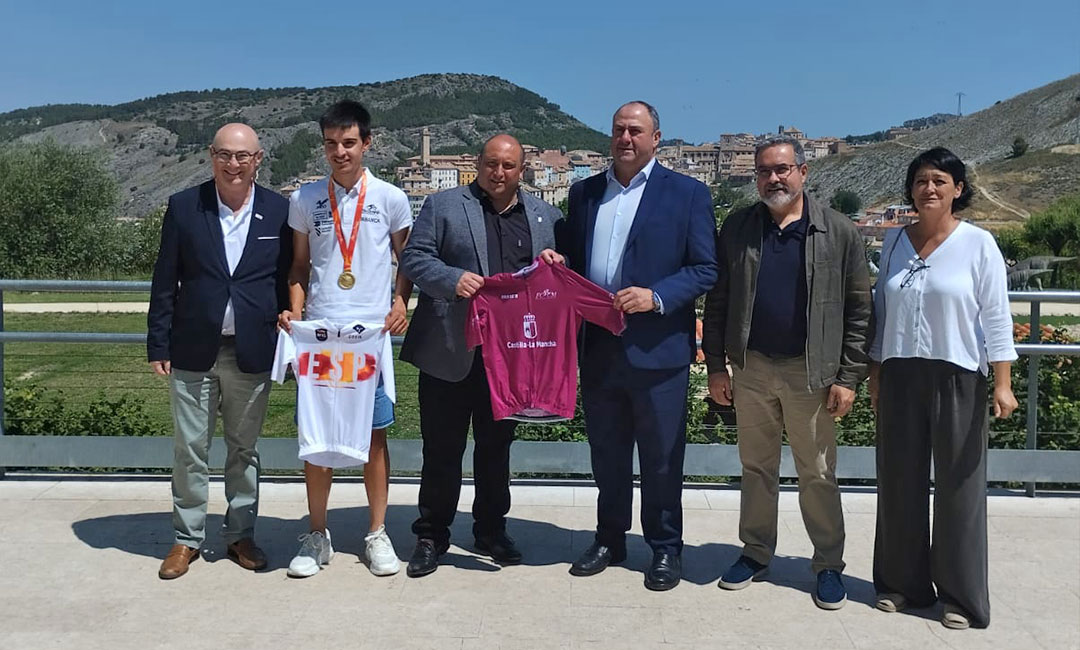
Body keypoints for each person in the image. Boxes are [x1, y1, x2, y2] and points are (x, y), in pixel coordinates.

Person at [702, 136, 871, 609]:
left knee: (817, 471)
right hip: (752, 367)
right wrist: (716, 366)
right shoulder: (739, 228)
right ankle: (755, 552)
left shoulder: (838, 231)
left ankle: (828, 564)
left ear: (803, 172)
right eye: (764, 171)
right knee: (756, 467)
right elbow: (717, 301)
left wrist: (848, 377)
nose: (773, 179)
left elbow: (860, 311)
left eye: (782, 169)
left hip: (811, 372)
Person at [557, 101, 717, 591]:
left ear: (656, 138)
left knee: (662, 457)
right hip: (600, 349)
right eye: (619, 130)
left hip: (659, 350)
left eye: (635, 130)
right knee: (606, 454)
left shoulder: (687, 193)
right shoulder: (584, 193)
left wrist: (657, 296)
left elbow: (705, 268)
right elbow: (573, 259)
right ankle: (610, 539)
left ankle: (666, 548)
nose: (625, 138)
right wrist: (556, 261)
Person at [399, 134, 564, 578]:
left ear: (522, 170)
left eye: (508, 166)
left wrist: (557, 264)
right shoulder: (443, 205)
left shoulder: (546, 217)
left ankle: (491, 530)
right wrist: (451, 279)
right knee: (442, 450)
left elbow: (558, 278)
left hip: (511, 359)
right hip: (450, 351)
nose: (498, 172)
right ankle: (432, 535)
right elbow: (414, 259)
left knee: (496, 450)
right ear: (477, 164)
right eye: (491, 163)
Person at [869, 147, 1017, 630]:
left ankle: (960, 597)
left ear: (958, 189)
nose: (928, 189)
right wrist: (875, 374)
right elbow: (881, 312)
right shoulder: (894, 242)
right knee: (898, 481)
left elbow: (996, 316)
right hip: (899, 374)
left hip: (958, 375)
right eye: (920, 181)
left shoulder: (979, 244)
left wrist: (1002, 383)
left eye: (938, 180)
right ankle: (902, 584)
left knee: (959, 487)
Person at [148, 123, 292, 580]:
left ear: (258, 159)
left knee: (243, 449)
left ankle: (240, 535)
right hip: (192, 347)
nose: (233, 164)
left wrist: (290, 327)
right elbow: (165, 279)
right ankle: (186, 539)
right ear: (211, 156)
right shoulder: (184, 206)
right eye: (224, 154)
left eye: (242, 155)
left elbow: (287, 278)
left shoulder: (279, 210)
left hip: (252, 348)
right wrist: (158, 342)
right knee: (190, 449)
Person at [278, 100, 412, 578]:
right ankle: (318, 535)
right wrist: (295, 313)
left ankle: (377, 532)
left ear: (366, 143)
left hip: (368, 338)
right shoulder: (305, 198)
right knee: (318, 437)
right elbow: (298, 266)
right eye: (331, 143)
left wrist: (401, 302)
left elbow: (407, 261)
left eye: (349, 142)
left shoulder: (391, 198)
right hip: (320, 337)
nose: (340, 152)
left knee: (373, 436)